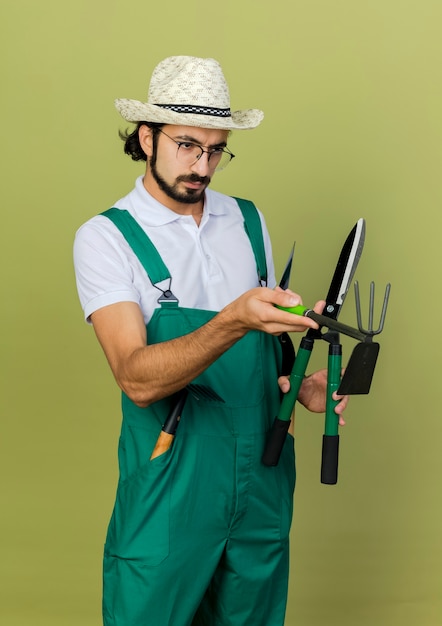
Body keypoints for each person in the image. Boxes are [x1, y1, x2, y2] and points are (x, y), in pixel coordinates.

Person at [73, 56, 348, 626]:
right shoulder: (106, 238)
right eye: (187, 145)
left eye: (217, 149)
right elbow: (136, 378)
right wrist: (234, 318)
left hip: (261, 470)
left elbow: (264, 348)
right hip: (173, 480)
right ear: (146, 137)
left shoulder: (247, 221)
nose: (202, 166)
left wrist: (297, 386)